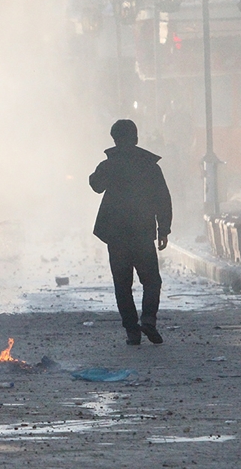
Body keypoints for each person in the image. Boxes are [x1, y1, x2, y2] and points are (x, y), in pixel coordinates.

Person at [89, 119, 172, 345]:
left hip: (116, 236)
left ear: (115, 139)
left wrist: (104, 167)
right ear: (136, 138)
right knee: (152, 281)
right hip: (143, 232)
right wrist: (163, 229)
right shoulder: (150, 166)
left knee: (122, 284)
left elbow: (96, 185)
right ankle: (148, 320)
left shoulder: (110, 164)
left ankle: (132, 331)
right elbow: (162, 198)